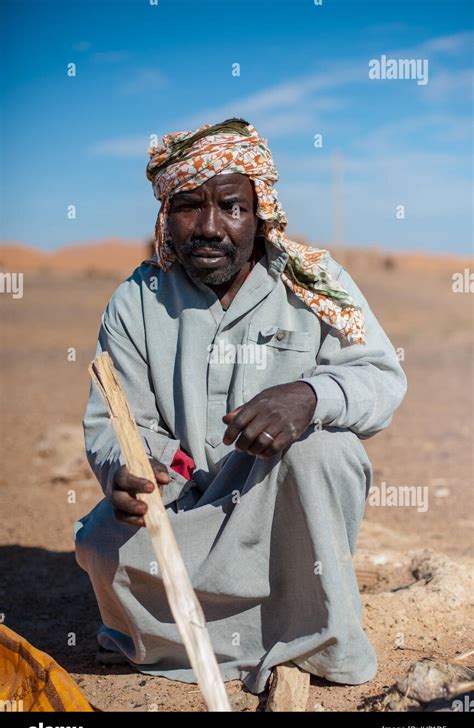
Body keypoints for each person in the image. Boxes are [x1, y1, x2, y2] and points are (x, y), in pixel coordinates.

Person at [75, 117, 407, 695]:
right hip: (183, 511)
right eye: (187, 207)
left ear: (259, 212)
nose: (209, 227)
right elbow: (116, 422)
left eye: (230, 206)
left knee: (329, 451)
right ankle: (230, 637)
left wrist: (309, 397)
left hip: (276, 511)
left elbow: (380, 378)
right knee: (102, 541)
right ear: (165, 215)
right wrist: (127, 471)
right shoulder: (136, 300)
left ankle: (318, 640)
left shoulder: (314, 282)